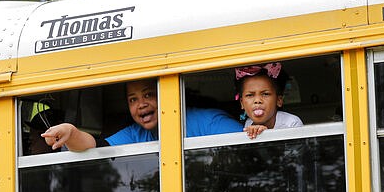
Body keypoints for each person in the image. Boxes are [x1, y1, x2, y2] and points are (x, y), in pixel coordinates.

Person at [41, 78, 242, 151]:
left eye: (148, 95)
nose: (141, 105)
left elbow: (244, 153)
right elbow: (96, 147)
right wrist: (71, 132)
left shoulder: (210, 121)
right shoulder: (134, 133)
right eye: (133, 99)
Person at [235, 62, 303, 139]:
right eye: (250, 95)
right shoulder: (248, 124)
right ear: (242, 103)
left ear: (279, 100)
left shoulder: (291, 123)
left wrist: (267, 136)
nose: (257, 100)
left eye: (265, 94)